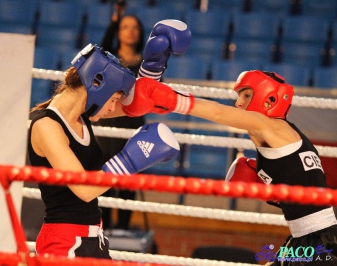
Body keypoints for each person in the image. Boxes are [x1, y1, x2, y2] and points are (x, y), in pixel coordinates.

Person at [121, 70, 337, 265]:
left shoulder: (272, 126)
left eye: (246, 96)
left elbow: (219, 113)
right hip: (307, 238)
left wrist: (171, 100)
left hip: (319, 240)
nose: (239, 104)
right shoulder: (281, 137)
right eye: (238, 97)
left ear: (269, 99)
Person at [27, 43, 181, 259]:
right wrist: (130, 161)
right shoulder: (47, 126)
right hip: (64, 244)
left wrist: (152, 69)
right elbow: (84, 188)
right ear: (97, 86)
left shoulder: (82, 115)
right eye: (113, 99)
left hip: (93, 238)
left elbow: (140, 104)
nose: (111, 108)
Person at [95, 1, 146, 231]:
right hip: (108, 127)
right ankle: (103, 232)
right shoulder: (110, 59)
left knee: (127, 184)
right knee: (105, 181)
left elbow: (154, 94)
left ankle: (123, 232)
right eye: (125, 27)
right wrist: (114, 21)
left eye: (134, 27)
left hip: (132, 127)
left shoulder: (148, 64)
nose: (130, 31)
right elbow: (100, 50)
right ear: (118, 32)